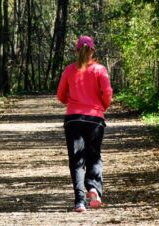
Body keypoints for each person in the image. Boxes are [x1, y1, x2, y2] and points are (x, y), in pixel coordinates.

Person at [57, 35, 113, 212]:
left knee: (76, 160)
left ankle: (79, 201)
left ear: (77, 50)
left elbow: (60, 95)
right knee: (94, 155)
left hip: (73, 119)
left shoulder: (69, 70)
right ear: (93, 50)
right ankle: (94, 189)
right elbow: (107, 92)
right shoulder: (100, 69)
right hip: (95, 119)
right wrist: (102, 106)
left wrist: (72, 102)